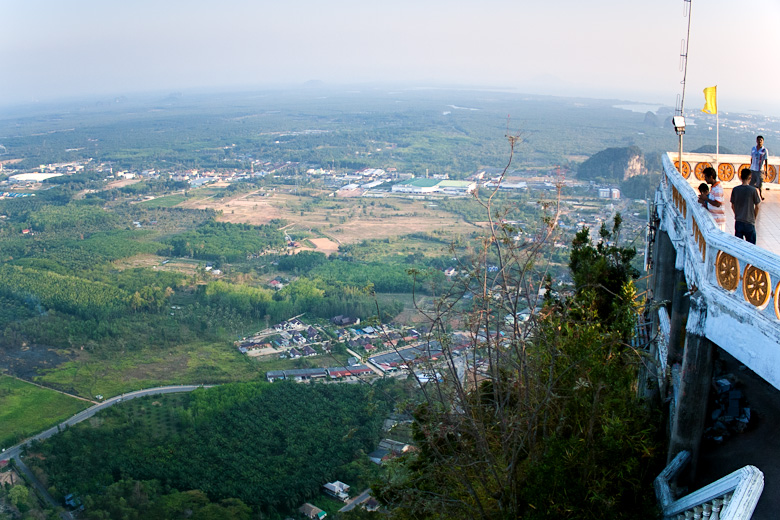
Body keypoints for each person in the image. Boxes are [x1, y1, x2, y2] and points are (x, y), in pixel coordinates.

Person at [731, 168, 761, 244]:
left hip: (739, 221)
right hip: (749, 222)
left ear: (740, 177)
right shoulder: (753, 190)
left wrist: (737, 214)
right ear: (750, 178)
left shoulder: (735, 190)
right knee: (751, 247)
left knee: (738, 246)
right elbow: (757, 206)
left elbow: (732, 205)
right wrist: (754, 217)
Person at [698, 166, 726, 231]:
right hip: (714, 219)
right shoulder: (713, 188)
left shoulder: (718, 188)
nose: (705, 179)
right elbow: (712, 203)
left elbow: (718, 204)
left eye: (706, 177)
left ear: (710, 177)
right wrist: (704, 202)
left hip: (718, 221)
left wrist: (706, 199)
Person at [750, 135, 768, 200]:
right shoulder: (753, 149)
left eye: (761, 140)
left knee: (760, 184)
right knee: (751, 184)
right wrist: (751, 166)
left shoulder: (764, 150)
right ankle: (751, 196)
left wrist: (766, 170)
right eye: (758, 140)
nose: (760, 141)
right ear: (756, 141)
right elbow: (751, 158)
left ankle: (761, 195)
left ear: (763, 141)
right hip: (753, 169)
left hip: (760, 170)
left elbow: (766, 160)